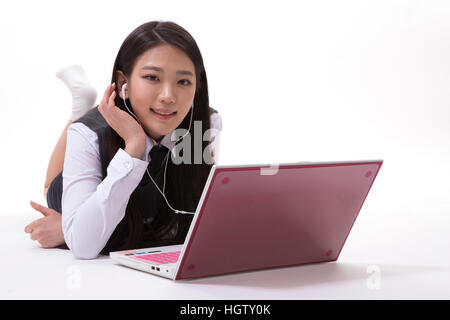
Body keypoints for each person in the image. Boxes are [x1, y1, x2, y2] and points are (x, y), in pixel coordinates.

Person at [24, 21, 223, 259]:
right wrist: (133, 149)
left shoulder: (205, 125)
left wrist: (67, 230)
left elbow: (190, 217)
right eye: (152, 77)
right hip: (95, 169)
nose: (169, 96)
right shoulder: (88, 133)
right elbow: (85, 248)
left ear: (197, 86)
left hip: (137, 203)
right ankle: (80, 108)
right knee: (50, 187)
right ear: (122, 84)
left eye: (183, 81)